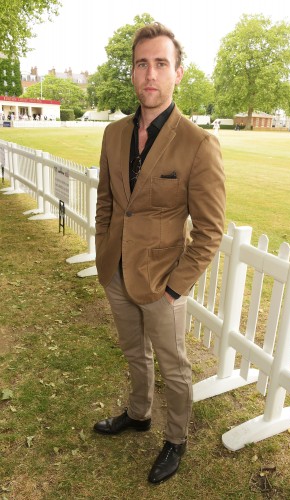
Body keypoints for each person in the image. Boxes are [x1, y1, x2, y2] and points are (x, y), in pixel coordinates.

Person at [94, 22, 226, 484]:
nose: (150, 74)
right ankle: (139, 412)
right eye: (142, 63)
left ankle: (175, 438)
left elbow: (210, 231)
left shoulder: (198, 143)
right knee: (134, 352)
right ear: (132, 72)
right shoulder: (113, 134)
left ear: (178, 73)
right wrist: (102, 258)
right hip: (116, 272)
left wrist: (175, 288)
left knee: (174, 366)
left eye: (161, 64)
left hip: (162, 281)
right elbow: (107, 203)